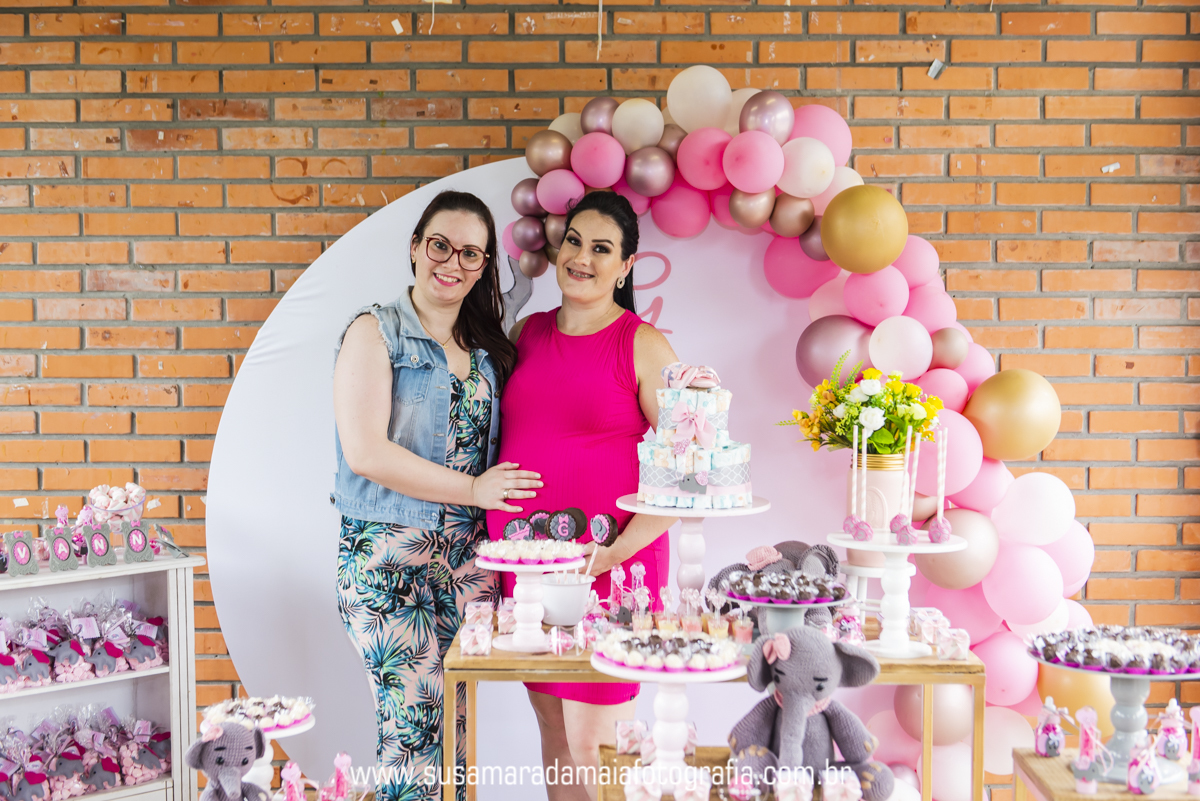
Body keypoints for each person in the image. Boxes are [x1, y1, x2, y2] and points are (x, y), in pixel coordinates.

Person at [332, 190, 543, 801]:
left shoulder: (485, 347)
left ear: (484, 266)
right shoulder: (375, 332)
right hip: (387, 561)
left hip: (468, 563)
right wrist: (474, 488)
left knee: (456, 728)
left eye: (470, 253)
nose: (452, 262)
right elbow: (366, 453)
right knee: (412, 734)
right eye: (440, 246)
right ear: (415, 248)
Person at [487, 191, 679, 801]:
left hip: (611, 570)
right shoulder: (528, 332)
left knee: (596, 746)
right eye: (574, 241)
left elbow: (687, 471)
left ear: (625, 266)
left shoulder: (642, 344)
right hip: (530, 570)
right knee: (554, 733)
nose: (582, 258)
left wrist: (617, 552)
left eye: (601, 248)